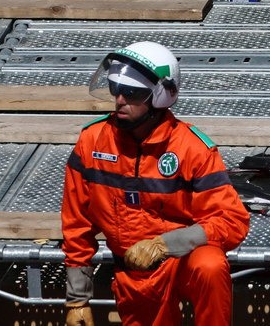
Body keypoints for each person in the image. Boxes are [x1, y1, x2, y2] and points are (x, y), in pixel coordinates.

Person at [61, 42, 250, 326]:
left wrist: (166, 244)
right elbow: (77, 224)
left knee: (210, 265)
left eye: (133, 93)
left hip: (182, 261)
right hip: (134, 273)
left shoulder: (191, 149)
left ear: (160, 97)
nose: (121, 100)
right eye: (115, 89)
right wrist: (77, 300)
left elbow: (232, 221)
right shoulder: (92, 141)